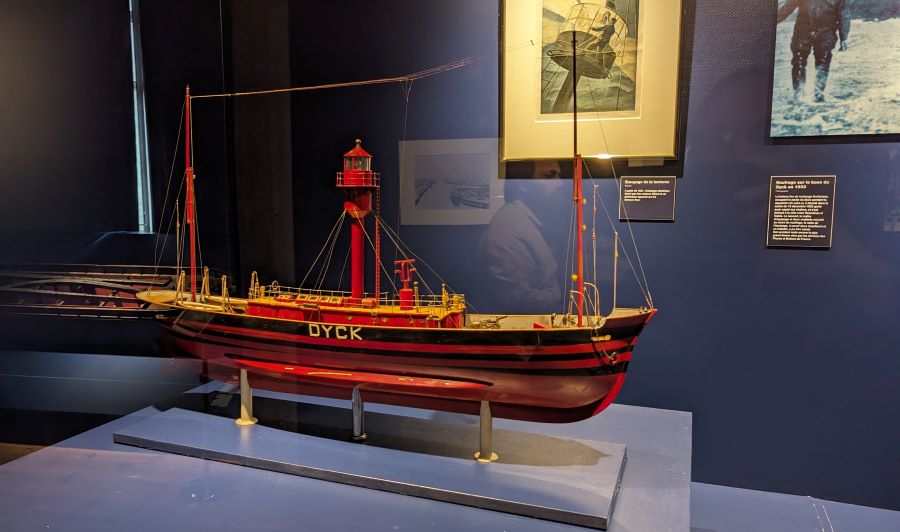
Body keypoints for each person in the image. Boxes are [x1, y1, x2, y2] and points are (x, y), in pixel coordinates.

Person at [478, 160, 567, 314]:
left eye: (558, 175)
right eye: (550, 176)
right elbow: (518, 300)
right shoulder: (508, 229)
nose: (560, 184)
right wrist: (560, 295)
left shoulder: (529, 222)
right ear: (523, 184)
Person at [777, 0, 851, 103]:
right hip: (803, 30)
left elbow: (843, 15)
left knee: (823, 62)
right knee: (799, 61)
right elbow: (788, 8)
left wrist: (844, 37)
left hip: (826, 32)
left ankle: (819, 94)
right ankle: (798, 94)